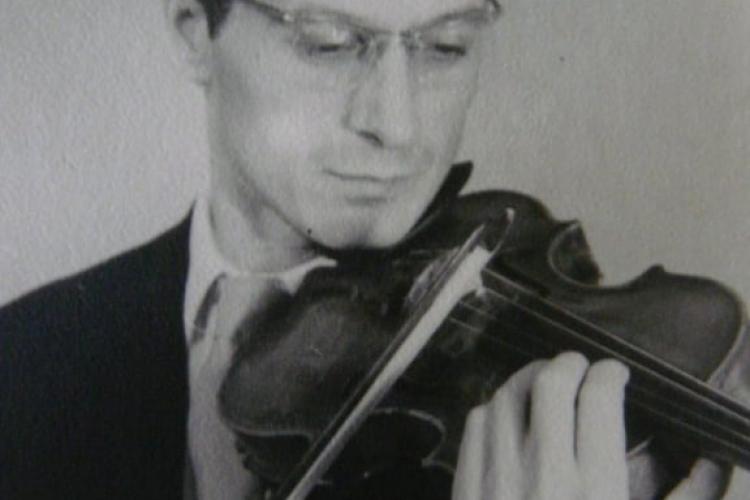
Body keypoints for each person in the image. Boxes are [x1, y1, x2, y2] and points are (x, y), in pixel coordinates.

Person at [1, 0, 747, 499]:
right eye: (328, 44)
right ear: (194, 31)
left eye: (446, 46)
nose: (397, 125)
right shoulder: (22, 360)